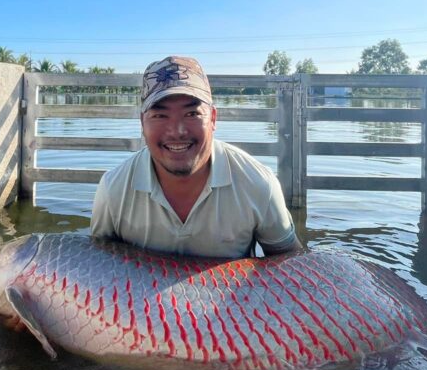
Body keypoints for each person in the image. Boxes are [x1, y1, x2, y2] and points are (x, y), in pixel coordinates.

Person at [90, 55, 302, 258]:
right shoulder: (113, 189)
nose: (177, 131)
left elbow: (293, 266)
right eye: (160, 115)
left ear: (213, 119)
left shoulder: (258, 184)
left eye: (192, 114)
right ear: (142, 123)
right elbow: (97, 268)